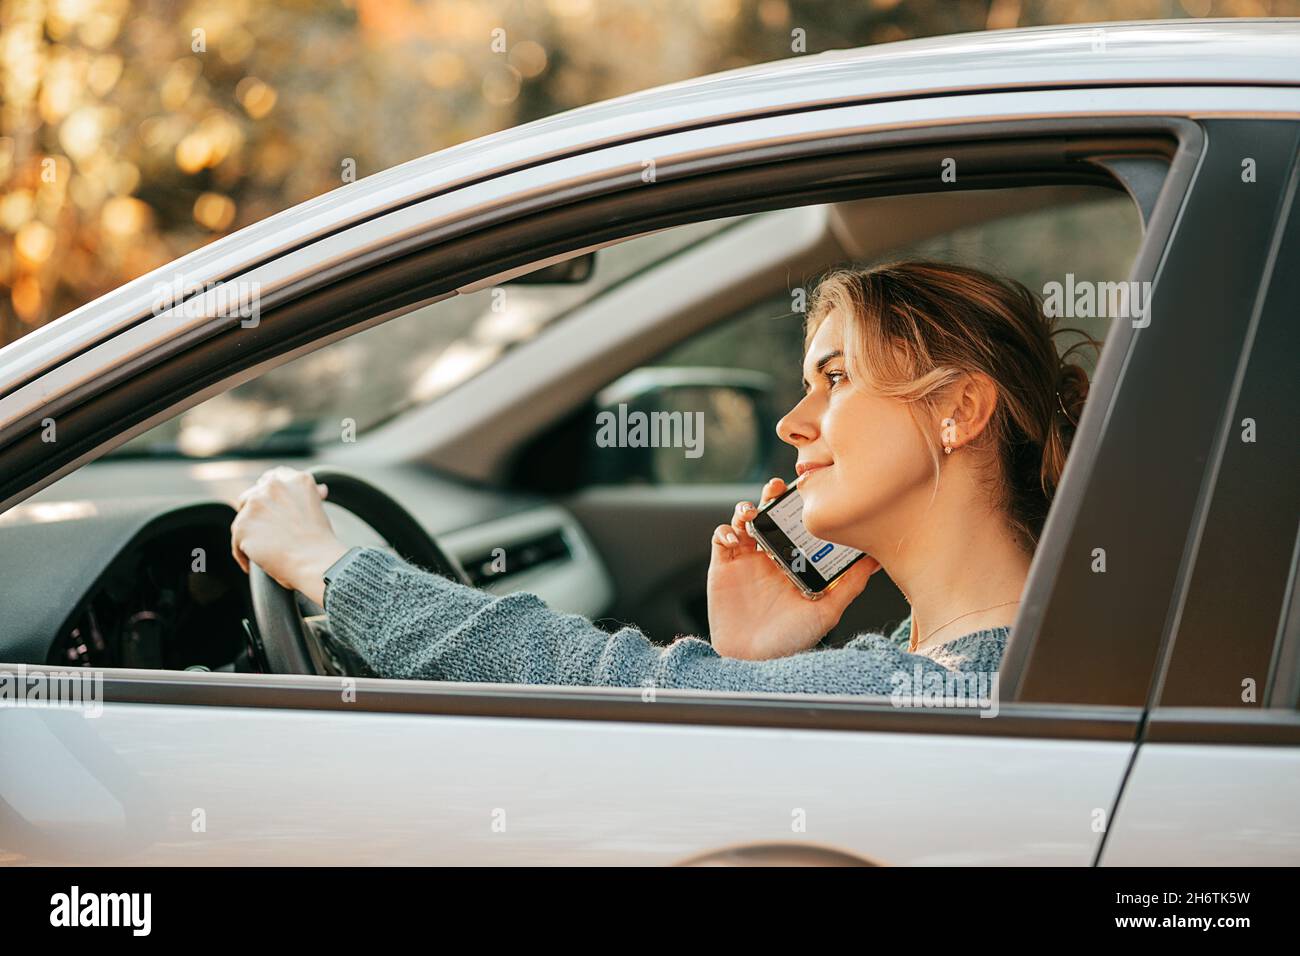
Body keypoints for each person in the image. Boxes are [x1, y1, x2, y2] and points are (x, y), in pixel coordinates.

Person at [230, 260, 1093, 696]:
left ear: (961, 409)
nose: (794, 425)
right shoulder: (963, 660)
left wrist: (330, 566)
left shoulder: (940, 686)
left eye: (835, 379)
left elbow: (595, 676)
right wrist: (750, 670)